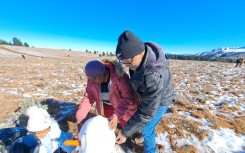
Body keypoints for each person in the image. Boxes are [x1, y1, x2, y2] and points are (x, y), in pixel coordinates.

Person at [115, 30, 174, 153]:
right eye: (123, 61)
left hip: (162, 100)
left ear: (140, 53)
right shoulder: (138, 57)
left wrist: (125, 133)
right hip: (151, 97)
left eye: (128, 61)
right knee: (147, 125)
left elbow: (147, 112)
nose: (127, 65)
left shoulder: (152, 77)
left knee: (147, 128)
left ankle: (150, 150)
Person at [76, 60, 140, 152]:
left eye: (93, 79)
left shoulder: (119, 77)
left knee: (125, 122)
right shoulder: (93, 80)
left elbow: (128, 97)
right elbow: (88, 98)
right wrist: (80, 117)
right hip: (108, 105)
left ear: (101, 74)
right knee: (109, 125)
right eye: (90, 79)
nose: (92, 81)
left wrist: (116, 115)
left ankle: (129, 141)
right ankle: (111, 141)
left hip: (123, 105)